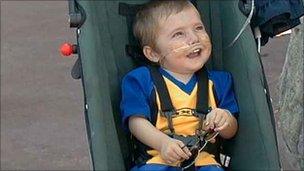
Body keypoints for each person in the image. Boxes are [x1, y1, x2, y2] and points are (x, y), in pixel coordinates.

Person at [120, 1, 239, 170]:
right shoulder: (140, 80)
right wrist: (163, 143)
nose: (194, 38)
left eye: (198, 28)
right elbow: (136, 122)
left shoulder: (220, 82)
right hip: (159, 160)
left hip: (204, 162)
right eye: (178, 34)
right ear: (153, 53)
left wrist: (225, 119)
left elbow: (231, 132)